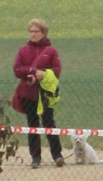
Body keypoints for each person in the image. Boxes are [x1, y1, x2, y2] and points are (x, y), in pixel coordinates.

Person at [13, 19, 64, 168]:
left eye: (36, 31)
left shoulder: (51, 51)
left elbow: (56, 71)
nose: (33, 34)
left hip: (45, 95)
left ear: (44, 33)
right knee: (32, 125)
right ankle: (35, 157)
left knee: (49, 123)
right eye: (31, 31)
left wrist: (44, 74)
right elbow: (17, 70)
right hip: (28, 94)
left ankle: (57, 155)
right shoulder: (23, 50)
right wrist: (33, 71)